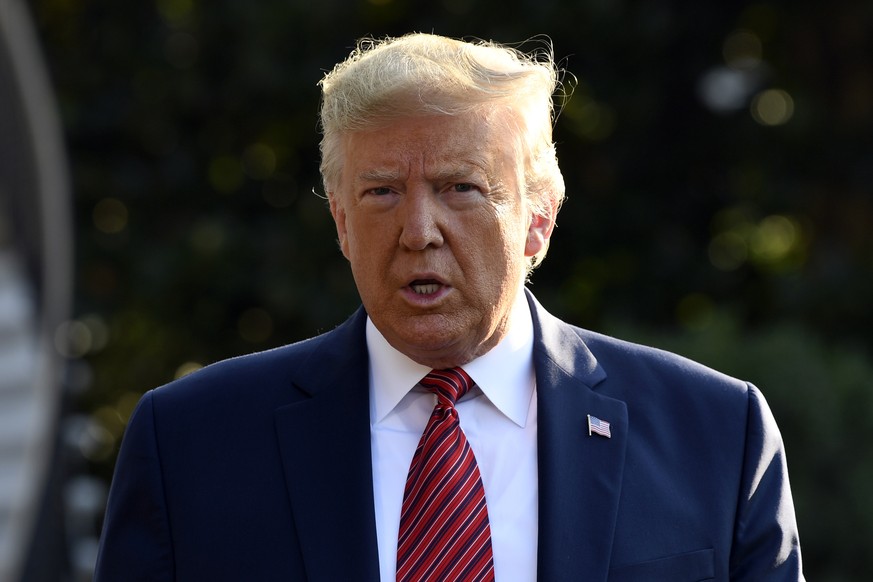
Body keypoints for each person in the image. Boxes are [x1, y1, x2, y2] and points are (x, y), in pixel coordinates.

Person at [94, 33, 803, 581]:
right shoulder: (191, 444)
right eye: (380, 193)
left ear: (538, 220)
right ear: (340, 221)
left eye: (460, 188)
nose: (418, 230)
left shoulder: (713, 433)